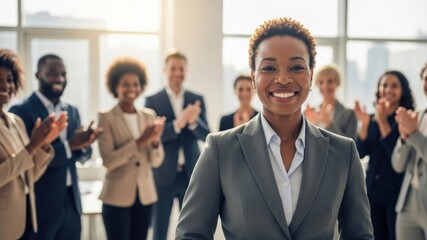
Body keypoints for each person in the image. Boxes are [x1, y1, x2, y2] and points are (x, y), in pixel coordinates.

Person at [176, 17, 373, 239]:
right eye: (269, 67)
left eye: (296, 67)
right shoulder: (221, 149)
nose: (282, 78)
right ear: (253, 78)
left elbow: (360, 235)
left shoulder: (343, 153)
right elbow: (191, 234)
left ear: (310, 76)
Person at [9, 54, 102, 240]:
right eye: (52, 73)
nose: (59, 79)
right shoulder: (20, 111)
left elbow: (82, 157)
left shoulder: (72, 109)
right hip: (41, 203)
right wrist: (71, 146)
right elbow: (28, 160)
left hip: (72, 201)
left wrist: (85, 145)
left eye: (63, 74)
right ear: (37, 75)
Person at [0, 49, 67, 240]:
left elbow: (28, 175)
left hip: (26, 219)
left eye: (9, 79)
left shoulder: (15, 121)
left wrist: (43, 144)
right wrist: (32, 145)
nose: (6, 85)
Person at [97, 57, 166, 240]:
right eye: (125, 84)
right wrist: (139, 142)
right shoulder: (106, 117)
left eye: (136, 84)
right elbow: (108, 161)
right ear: (115, 87)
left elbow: (156, 161)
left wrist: (154, 142)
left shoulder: (148, 116)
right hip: (116, 197)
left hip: (145, 196)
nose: (131, 89)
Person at [145, 50, 210, 240]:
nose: (177, 73)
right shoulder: (152, 100)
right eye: (173, 68)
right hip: (162, 174)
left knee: (191, 229)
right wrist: (179, 123)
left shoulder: (196, 99)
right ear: (165, 70)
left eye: (181, 69)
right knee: (160, 230)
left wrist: (193, 122)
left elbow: (207, 135)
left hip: (190, 174)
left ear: (186, 71)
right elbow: (152, 137)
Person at [355, 70, 415, 240]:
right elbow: (360, 152)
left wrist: (382, 122)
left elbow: (397, 157)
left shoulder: (407, 119)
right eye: (384, 85)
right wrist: (365, 125)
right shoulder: (373, 118)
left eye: (394, 86)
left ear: (403, 90)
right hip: (372, 191)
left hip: (396, 194)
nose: (388, 89)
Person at [392, 63, 427, 240]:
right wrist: (405, 138)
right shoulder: (417, 116)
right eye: (426, 78)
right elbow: (398, 165)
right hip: (407, 203)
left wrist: (413, 134)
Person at [304, 64, 357, 139]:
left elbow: (351, 145)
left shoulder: (349, 113)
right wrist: (310, 128)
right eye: (321, 82)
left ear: (337, 83)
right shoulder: (310, 112)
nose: (325, 86)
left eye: (330, 81)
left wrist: (329, 125)